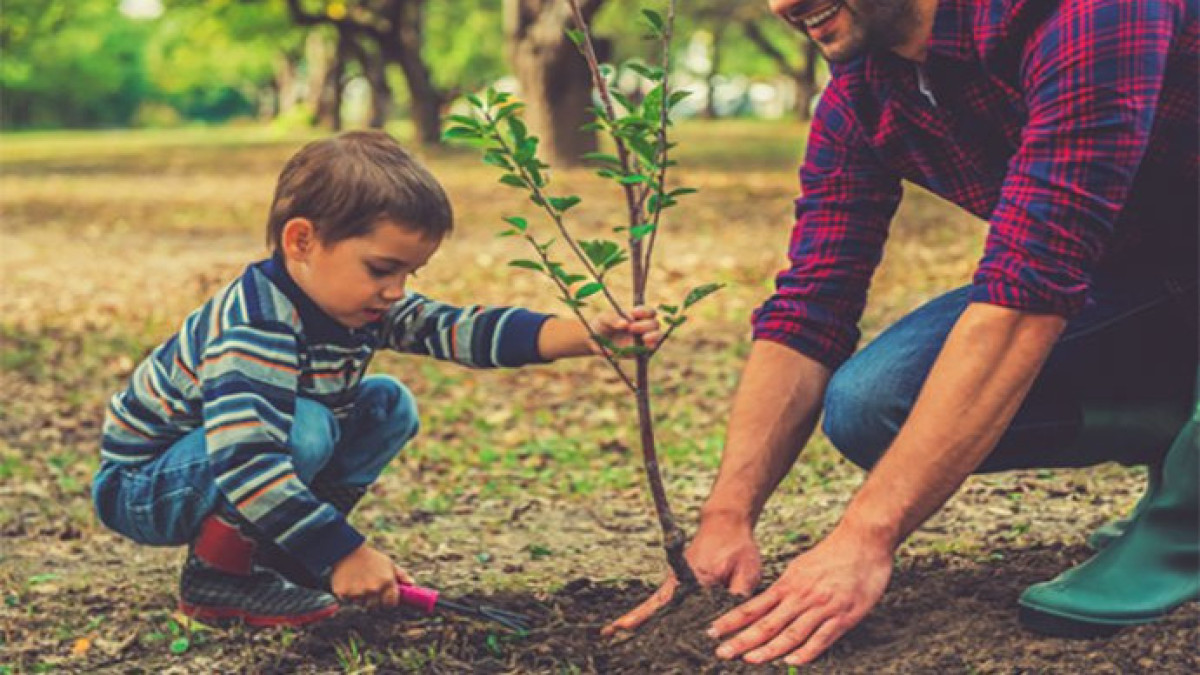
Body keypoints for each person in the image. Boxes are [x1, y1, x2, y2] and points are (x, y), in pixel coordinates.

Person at [607, 0, 1198, 666]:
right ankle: (1184, 437)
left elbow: (1030, 293)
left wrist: (865, 536)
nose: (783, 5)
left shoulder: (1092, 13)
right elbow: (810, 306)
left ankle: (1189, 519)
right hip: (1156, 280)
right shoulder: (868, 93)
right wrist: (728, 516)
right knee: (877, 400)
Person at [91, 131, 662, 626]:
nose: (396, 290)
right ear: (302, 241)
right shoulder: (257, 326)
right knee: (306, 426)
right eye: (382, 269)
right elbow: (248, 462)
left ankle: (283, 559)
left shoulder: (358, 303)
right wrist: (344, 553)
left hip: (223, 466)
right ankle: (220, 577)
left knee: (387, 403)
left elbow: (457, 329)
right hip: (145, 486)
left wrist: (585, 335)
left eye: (409, 273)